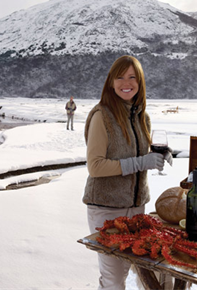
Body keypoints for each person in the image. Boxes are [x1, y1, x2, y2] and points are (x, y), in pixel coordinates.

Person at [82, 55, 169, 289]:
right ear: (111, 82)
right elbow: (96, 166)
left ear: (140, 82)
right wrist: (142, 162)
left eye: (132, 77)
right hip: (106, 209)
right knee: (113, 279)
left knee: (139, 271)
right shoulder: (102, 115)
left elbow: (137, 152)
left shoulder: (142, 117)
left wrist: (161, 154)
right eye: (119, 77)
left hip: (137, 208)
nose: (125, 82)